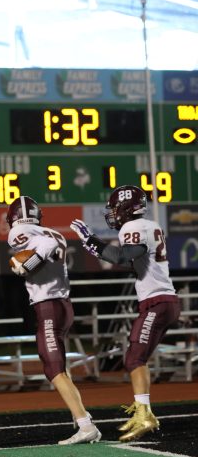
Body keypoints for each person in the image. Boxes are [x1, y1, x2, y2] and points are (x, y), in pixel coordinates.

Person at [70, 185, 180, 442]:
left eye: (115, 208)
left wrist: (91, 241)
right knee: (136, 358)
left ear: (126, 208)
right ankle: (144, 411)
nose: (113, 214)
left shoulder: (133, 228)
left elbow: (124, 256)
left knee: (133, 358)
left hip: (157, 301)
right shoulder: (149, 225)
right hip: (164, 300)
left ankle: (144, 414)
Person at [6, 195, 101, 445]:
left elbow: (45, 247)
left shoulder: (20, 231)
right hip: (62, 304)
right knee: (60, 365)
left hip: (48, 306)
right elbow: (48, 243)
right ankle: (81, 417)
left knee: (53, 368)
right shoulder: (50, 231)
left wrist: (28, 265)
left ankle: (84, 424)